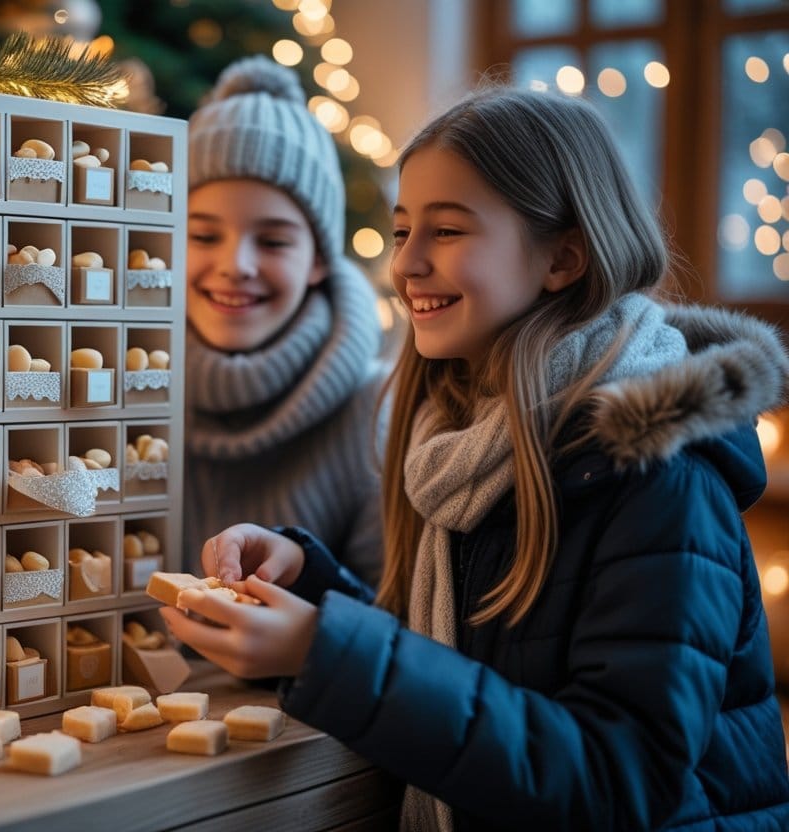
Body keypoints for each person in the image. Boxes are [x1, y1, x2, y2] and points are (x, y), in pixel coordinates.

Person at [163, 86, 789, 830]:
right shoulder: (467, 441)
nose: (408, 265)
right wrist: (315, 591)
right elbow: (468, 670)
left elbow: (622, 781)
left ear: (562, 258)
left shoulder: (659, 478)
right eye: (401, 233)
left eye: (449, 231)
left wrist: (326, 650)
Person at [183, 55, 388, 585]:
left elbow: (392, 623)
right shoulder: (104, 384)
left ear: (319, 258)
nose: (235, 266)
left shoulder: (375, 413)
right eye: (203, 236)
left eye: (273, 241)